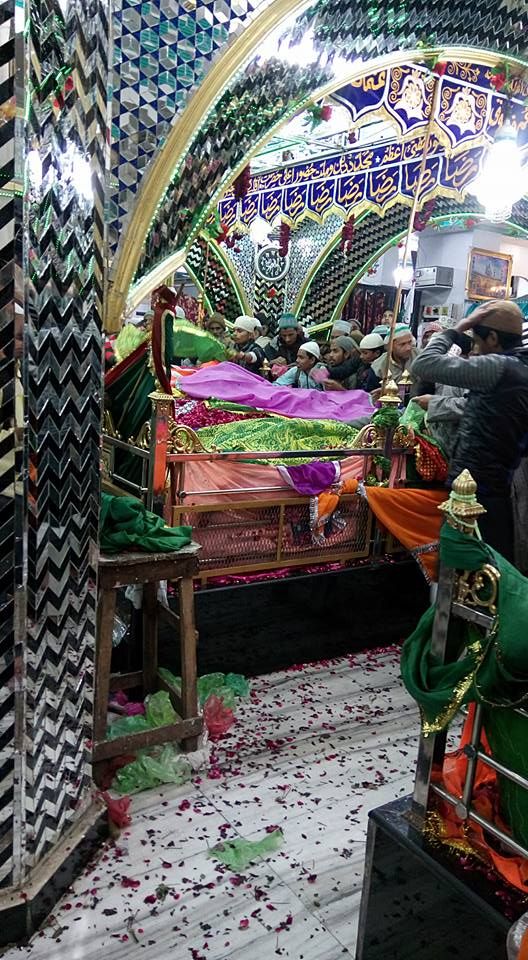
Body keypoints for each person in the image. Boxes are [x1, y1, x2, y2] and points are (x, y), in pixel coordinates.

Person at [411, 299, 528, 561]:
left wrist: (455, 330)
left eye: (475, 341)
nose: (473, 349)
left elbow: (424, 365)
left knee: (469, 569)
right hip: (495, 486)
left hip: (477, 490)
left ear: (494, 338)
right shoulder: (519, 367)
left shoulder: (498, 367)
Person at [412, 334, 473, 459]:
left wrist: (434, 404)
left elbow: (473, 406)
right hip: (445, 448)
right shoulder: (439, 375)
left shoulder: (463, 374)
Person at [365, 324, 417, 392]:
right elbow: (371, 393)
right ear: (390, 346)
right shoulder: (379, 367)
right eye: (402, 344)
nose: (408, 348)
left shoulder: (421, 358)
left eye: (410, 342)